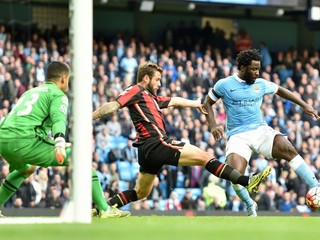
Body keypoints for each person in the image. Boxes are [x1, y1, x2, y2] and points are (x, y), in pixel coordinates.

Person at [92, 61, 271, 216]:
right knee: (206, 157)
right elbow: (114, 105)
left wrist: (196, 104)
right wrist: (89, 117)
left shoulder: (151, 98)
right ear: (146, 78)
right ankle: (246, 181)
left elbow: (174, 100)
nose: (160, 83)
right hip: (157, 143)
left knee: (140, 193)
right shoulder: (136, 90)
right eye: (157, 80)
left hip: (147, 150)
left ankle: (103, 208)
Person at [0, 61, 129, 218]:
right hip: (24, 140)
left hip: (4, 138)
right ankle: (105, 209)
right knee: (79, 157)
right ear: (63, 78)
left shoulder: (31, 92)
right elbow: (58, 120)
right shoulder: (57, 94)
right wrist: (59, 141)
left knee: (26, 169)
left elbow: (25, 122)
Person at [203, 49, 320, 216]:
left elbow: (281, 90)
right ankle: (250, 204)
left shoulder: (261, 83)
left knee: (287, 148)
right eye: (253, 69)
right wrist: (213, 125)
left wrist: (304, 105)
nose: (257, 73)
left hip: (259, 130)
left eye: (258, 69)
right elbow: (207, 103)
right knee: (235, 174)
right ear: (242, 68)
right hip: (237, 135)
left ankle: (315, 186)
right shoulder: (224, 85)